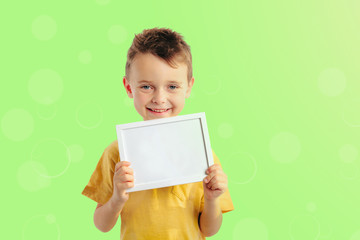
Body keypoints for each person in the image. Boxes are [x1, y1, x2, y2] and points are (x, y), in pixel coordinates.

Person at [81, 27, 234, 239]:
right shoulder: (117, 153)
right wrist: (117, 198)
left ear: (188, 87)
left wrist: (212, 199)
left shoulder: (202, 152)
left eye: (172, 86)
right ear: (128, 87)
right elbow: (102, 225)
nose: (159, 98)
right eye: (146, 87)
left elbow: (210, 229)